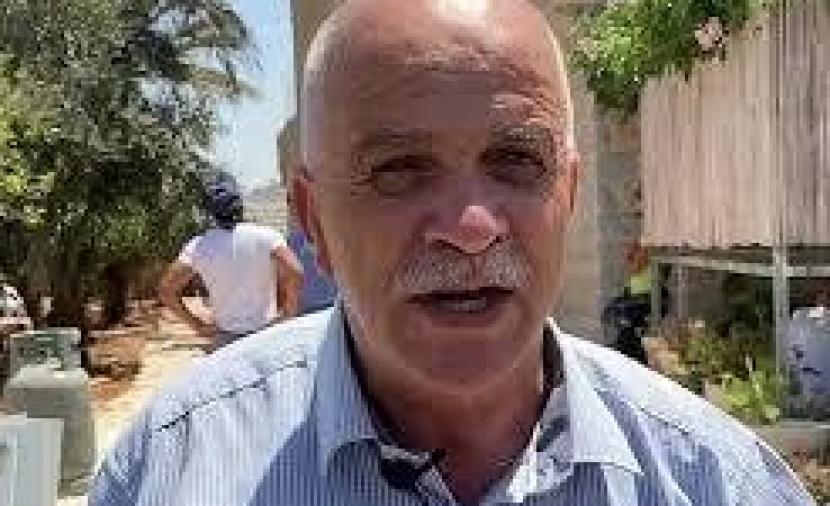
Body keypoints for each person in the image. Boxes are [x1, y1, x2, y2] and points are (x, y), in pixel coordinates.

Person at [90, 1, 813, 504]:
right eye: (400, 170)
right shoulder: (173, 467)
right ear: (313, 220)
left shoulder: (716, 481)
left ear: (567, 195)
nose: (471, 228)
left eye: (516, 161)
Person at [158, 172, 303, 351]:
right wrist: (288, 316)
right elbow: (295, 272)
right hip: (266, 335)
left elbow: (166, 290)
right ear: (239, 205)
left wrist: (197, 325)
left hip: (226, 339)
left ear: (211, 210)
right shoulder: (267, 236)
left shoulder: (198, 246)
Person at [287, 184, 338, 315]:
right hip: (311, 309)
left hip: (331, 305)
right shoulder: (291, 241)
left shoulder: (332, 235)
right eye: (290, 203)